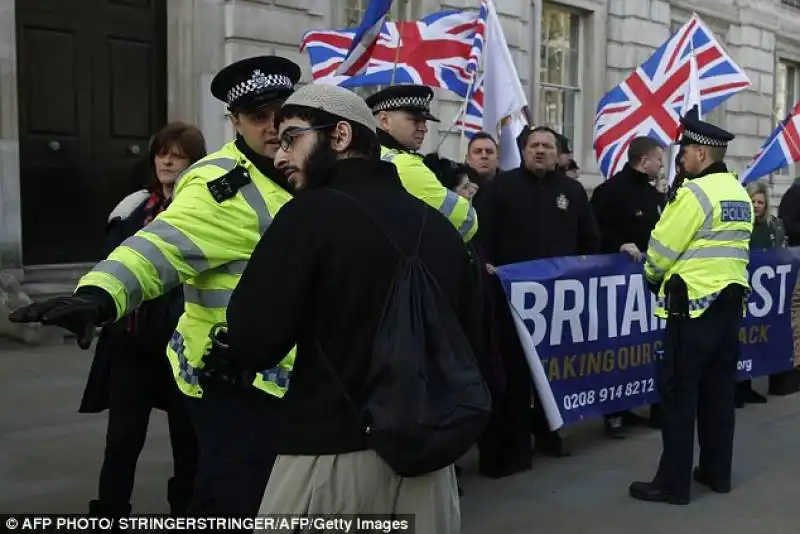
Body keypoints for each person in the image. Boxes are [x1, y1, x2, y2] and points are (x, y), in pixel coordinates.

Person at [9, 56, 302, 523]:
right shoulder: (219, 186)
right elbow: (155, 249)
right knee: (236, 503)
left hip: (290, 380)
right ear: (235, 122)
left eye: (281, 114)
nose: (272, 128)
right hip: (235, 380)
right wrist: (99, 296)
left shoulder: (307, 164)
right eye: (256, 117)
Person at [218, 83, 478, 534]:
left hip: (329, 456)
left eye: (291, 138)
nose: (279, 158)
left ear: (339, 136)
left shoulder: (307, 217)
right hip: (429, 463)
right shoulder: (437, 226)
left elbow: (254, 337)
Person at [80, 122, 205, 518]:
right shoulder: (135, 207)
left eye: (178, 154)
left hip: (181, 346)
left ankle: (186, 514)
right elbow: (109, 259)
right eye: (162, 153)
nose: (168, 161)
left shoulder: (203, 207)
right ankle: (110, 513)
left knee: (188, 445)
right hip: (131, 345)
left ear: (194, 162)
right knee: (121, 442)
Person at [630, 114, 753, 505]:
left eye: (684, 151)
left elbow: (660, 252)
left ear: (701, 152)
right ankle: (717, 474)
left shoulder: (694, 195)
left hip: (692, 311)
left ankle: (672, 484)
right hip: (729, 309)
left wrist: (651, 279)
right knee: (718, 396)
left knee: (680, 397)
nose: (680, 158)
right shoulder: (738, 193)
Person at [474, 126, 601, 475]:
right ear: (524, 150)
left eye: (548, 146)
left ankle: (550, 434)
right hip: (510, 303)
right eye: (534, 145)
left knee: (553, 371)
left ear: (558, 153)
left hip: (560, 306)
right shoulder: (500, 188)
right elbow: (480, 238)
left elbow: (589, 240)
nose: (541, 151)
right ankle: (513, 450)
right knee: (513, 377)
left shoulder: (572, 191)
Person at [590, 136, 666, 438]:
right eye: (659, 159)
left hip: (648, 287)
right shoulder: (609, 191)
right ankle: (613, 414)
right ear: (644, 160)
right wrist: (618, 244)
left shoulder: (654, 196)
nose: (662, 165)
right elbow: (594, 230)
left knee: (645, 347)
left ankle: (637, 401)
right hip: (616, 286)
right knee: (616, 349)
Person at [365, 84, 478, 241]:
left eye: (424, 121)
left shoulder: (367, 155)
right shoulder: (404, 165)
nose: (424, 128)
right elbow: (466, 221)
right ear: (385, 120)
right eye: (415, 120)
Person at [738, 180, 786, 404]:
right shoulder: (739, 227)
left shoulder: (773, 226)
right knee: (740, 340)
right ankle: (737, 387)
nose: (757, 205)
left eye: (760, 202)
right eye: (753, 201)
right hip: (743, 291)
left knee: (757, 340)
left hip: (766, 294)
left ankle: (747, 385)